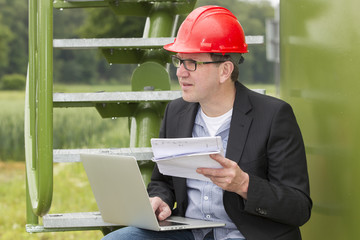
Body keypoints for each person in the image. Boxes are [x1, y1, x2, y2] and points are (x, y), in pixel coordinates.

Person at [102, 5, 312, 240]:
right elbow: (163, 181)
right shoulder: (176, 112)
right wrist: (159, 199)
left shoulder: (273, 116)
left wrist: (245, 184)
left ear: (225, 70)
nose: (180, 72)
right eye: (179, 61)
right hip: (188, 233)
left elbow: (299, 207)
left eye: (191, 62)